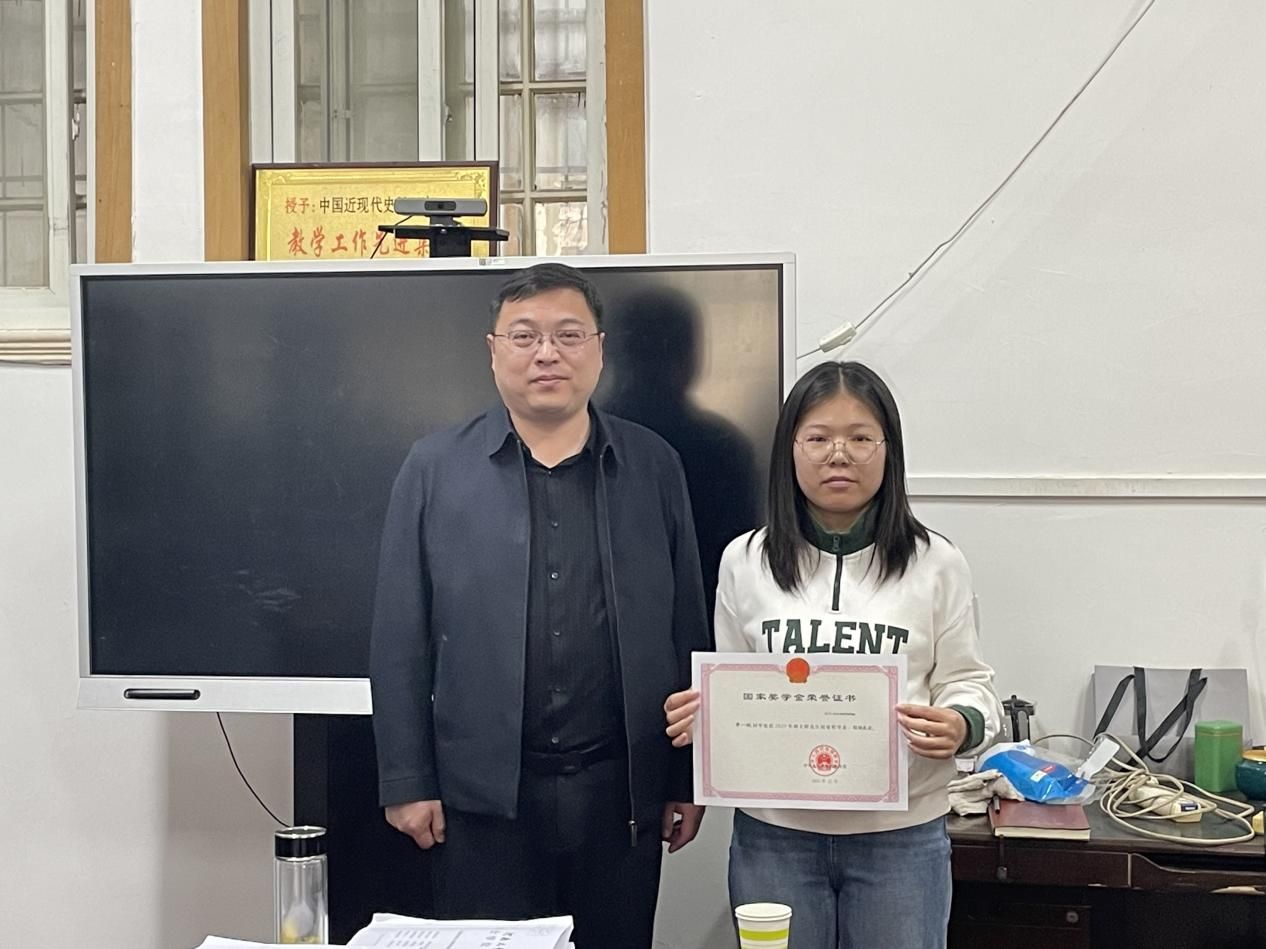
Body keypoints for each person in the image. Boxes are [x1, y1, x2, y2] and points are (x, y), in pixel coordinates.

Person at [369, 262, 709, 949]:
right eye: (524, 336)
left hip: (621, 793)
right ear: (493, 351)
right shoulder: (434, 468)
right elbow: (399, 634)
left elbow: (686, 628)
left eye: (568, 334)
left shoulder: (653, 464)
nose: (547, 353)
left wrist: (688, 775)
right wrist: (406, 780)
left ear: (599, 349)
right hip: (482, 799)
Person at [664, 361, 1002, 949]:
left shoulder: (936, 562)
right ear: (790, 451)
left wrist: (961, 722)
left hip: (901, 836)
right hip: (775, 838)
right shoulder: (745, 560)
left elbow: (969, 681)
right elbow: (735, 680)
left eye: (861, 438)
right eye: (818, 438)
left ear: (888, 450)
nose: (838, 455)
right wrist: (706, 716)